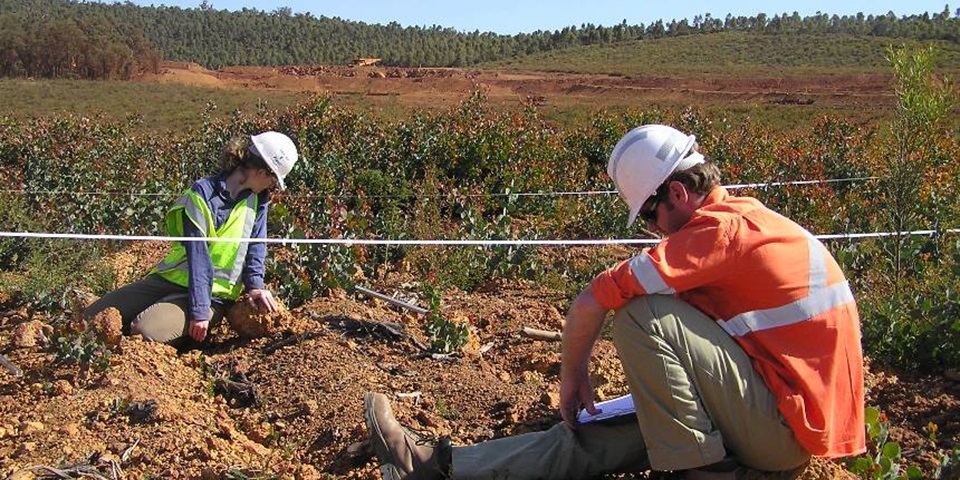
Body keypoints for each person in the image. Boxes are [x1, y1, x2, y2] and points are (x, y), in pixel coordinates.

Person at [363, 124, 866, 479]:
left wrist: (572, 376)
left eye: (651, 214)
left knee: (640, 313)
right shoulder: (751, 221)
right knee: (599, 438)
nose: (653, 230)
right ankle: (435, 465)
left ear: (677, 193)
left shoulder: (720, 231)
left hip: (784, 430)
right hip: (782, 422)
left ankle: (705, 469)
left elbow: (594, 299)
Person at [84, 131, 299, 346]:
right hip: (169, 281)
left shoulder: (258, 200)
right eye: (273, 179)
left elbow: (256, 247)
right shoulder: (201, 194)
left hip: (215, 296)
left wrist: (255, 286)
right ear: (262, 172)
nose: (272, 186)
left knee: (143, 332)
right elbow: (199, 256)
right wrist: (199, 312)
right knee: (91, 318)